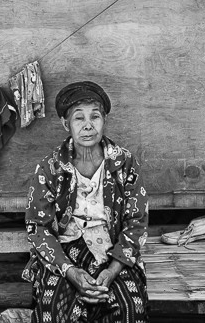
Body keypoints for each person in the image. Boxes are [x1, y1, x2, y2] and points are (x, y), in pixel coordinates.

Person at [23, 81, 149, 323]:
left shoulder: (125, 163)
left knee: (129, 309)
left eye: (95, 117)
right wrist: (70, 272)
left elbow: (137, 223)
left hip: (114, 252)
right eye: (79, 118)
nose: (88, 125)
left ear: (104, 120)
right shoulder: (50, 168)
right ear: (66, 124)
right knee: (53, 310)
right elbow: (38, 228)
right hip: (65, 253)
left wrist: (112, 272)